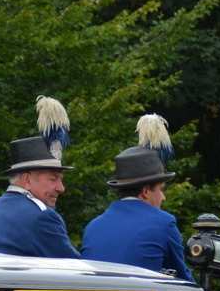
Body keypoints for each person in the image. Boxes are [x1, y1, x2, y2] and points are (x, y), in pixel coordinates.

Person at [79, 115, 194, 281]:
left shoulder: (93, 226)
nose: (163, 198)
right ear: (146, 191)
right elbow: (183, 280)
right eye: (161, 190)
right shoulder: (163, 223)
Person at [0, 97, 79, 259]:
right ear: (27, 180)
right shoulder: (41, 216)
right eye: (53, 178)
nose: (61, 188)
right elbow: (76, 269)